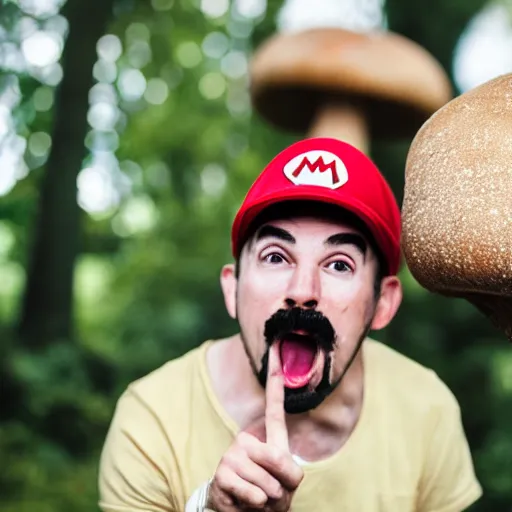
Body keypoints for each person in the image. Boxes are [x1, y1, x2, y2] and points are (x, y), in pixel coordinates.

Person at [98, 137, 482, 512]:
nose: (302, 290)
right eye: (276, 257)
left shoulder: (427, 410)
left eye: (338, 264)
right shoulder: (150, 419)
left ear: (382, 304)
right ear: (233, 289)